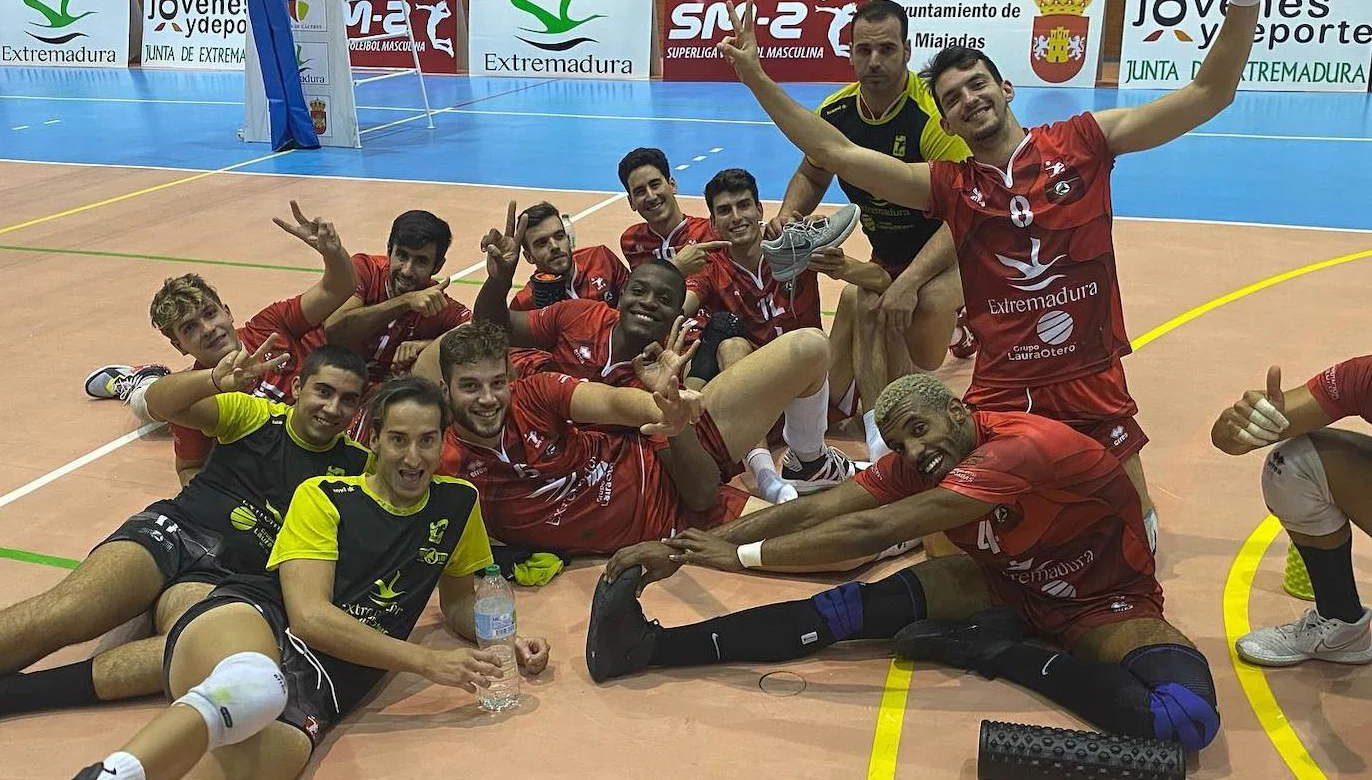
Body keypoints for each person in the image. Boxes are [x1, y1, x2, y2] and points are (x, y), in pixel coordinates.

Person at [711, 0, 1264, 551]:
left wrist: (1241, 9)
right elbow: (835, 151)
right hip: (1003, 389)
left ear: (1006, 89)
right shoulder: (950, 185)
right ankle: (811, 523)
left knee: (1132, 538)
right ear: (946, 121)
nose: (968, 99)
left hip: (1087, 374)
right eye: (952, 98)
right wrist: (756, 76)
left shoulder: (1084, 141)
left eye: (978, 85)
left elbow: (1207, 94)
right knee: (951, 541)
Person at [587, 373, 1221, 758]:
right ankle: (644, 649)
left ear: (956, 410)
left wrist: (739, 557)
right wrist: (682, 550)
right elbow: (817, 509)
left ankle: (997, 653)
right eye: (902, 444)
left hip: (1100, 601)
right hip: (1005, 582)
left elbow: (876, 527)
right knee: (844, 611)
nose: (918, 453)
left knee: (1181, 719)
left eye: (922, 429)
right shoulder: (921, 458)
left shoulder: (1022, 449)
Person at [70, 376, 551, 780]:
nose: (413, 456)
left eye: (427, 439)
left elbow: (460, 603)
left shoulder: (458, 503)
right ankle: (116, 774)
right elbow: (309, 619)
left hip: (328, 682)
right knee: (254, 685)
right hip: (259, 618)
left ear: (442, 441)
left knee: (274, 751)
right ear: (375, 439)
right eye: (398, 439)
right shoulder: (326, 495)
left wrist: (506, 638)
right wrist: (426, 662)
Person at [0, 342, 371, 718]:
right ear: (297, 389)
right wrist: (211, 380)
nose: (332, 408)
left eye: (347, 400)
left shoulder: (359, 470)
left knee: (198, 653)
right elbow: (157, 404)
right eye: (323, 392)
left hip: (229, 579)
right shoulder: (255, 414)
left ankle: (19, 694)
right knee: (68, 610)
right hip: (172, 535)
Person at [469, 220, 855, 504]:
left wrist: (670, 400)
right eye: (639, 291)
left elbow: (698, 489)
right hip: (567, 458)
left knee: (809, 345)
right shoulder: (575, 316)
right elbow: (491, 327)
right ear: (619, 298)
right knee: (452, 347)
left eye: (664, 300)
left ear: (678, 314)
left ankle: (806, 461)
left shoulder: (669, 363)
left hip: (652, 470)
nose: (649, 302)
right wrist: (500, 280)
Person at [421, 316, 855, 558]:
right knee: (844, 548)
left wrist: (666, 408)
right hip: (673, 526)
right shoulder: (445, 469)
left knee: (809, 347)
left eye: (497, 383)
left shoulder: (534, 392)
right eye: (471, 386)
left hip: (667, 445)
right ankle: (906, 521)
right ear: (445, 392)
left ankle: (808, 462)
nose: (488, 398)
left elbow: (611, 403)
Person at [767, 0, 976, 384]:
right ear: (849, 54)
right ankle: (957, 328)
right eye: (864, 50)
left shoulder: (932, 115)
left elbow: (965, 213)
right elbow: (811, 176)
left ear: (908, 51)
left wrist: (910, 283)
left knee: (920, 338)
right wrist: (787, 214)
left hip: (954, 251)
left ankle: (959, 320)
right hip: (889, 250)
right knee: (875, 332)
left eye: (887, 49)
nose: (875, 60)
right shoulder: (835, 113)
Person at [86, 201, 359, 485]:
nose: (208, 329)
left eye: (210, 313)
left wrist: (333, 253)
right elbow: (189, 468)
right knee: (148, 405)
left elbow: (337, 287)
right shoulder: (191, 394)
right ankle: (141, 381)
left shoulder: (271, 325)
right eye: (190, 328)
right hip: (198, 406)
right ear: (179, 345)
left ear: (227, 312)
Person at [1210, 360, 1372, 666]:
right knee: (1294, 464)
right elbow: (1230, 441)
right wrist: (1239, 424)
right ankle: (1340, 625)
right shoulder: (1363, 377)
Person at [322, 209, 472, 388]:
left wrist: (427, 345)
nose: (407, 270)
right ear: (389, 250)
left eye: (421, 261)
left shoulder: (437, 303)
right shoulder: (364, 270)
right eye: (402, 255)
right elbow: (334, 330)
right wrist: (406, 301)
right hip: (327, 379)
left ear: (438, 266)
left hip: (378, 399)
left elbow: (482, 333)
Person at [495, 200, 629, 312]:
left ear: (568, 239)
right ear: (529, 257)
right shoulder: (524, 302)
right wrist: (498, 280)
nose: (554, 246)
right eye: (541, 243)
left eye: (559, 236)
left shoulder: (601, 259)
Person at [618, 147, 723, 275]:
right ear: (631, 202)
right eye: (640, 191)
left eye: (655, 184)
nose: (651, 196)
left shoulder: (710, 232)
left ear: (672, 185)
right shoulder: (631, 242)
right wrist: (678, 267)